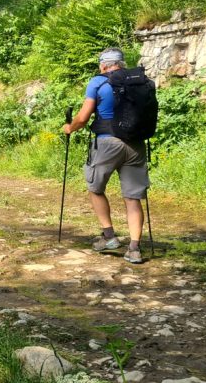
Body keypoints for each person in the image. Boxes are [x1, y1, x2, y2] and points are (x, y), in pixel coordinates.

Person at [61, 48, 149, 264]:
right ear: (122, 63)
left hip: (107, 143)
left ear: (103, 65)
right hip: (136, 144)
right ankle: (135, 248)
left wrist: (69, 128)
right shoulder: (140, 81)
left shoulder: (98, 82)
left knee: (95, 188)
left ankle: (109, 237)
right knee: (133, 197)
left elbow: (83, 117)